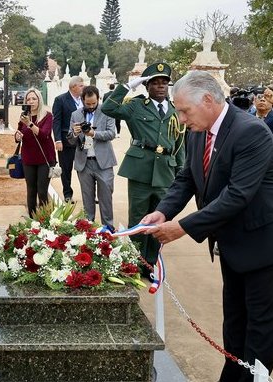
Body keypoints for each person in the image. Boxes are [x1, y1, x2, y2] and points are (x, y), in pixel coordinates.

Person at [142, 71, 273, 382]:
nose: (181, 119)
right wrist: (163, 211)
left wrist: (181, 227)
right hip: (233, 240)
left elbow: (237, 195)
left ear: (209, 101)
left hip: (268, 240)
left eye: (185, 111)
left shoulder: (251, 132)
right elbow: (187, 177)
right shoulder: (198, 132)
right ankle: (229, 380)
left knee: (260, 324)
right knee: (235, 316)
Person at [102, 62, 185, 269]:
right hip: (141, 171)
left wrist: (180, 173)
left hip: (166, 171)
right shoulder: (137, 105)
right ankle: (134, 263)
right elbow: (108, 107)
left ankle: (150, 263)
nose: (160, 86)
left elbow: (179, 145)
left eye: (164, 82)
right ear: (147, 86)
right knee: (139, 220)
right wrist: (129, 86)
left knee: (159, 221)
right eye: (155, 83)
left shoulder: (176, 111)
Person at [68, 85, 117, 229]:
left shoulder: (107, 112)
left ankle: (108, 229)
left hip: (104, 162)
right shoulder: (75, 115)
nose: (91, 106)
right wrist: (75, 133)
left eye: (93, 103)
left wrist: (93, 134)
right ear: (82, 100)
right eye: (87, 103)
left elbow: (111, 134)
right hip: (84, 163)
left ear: (98, 99)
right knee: (87, 199)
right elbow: (70, 140)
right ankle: (88, 230)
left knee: (106, 198)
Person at [14, 88, 56, 217]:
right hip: (28, 158)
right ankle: (32, 222)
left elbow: (44, 135)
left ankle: (45, 221)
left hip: (45, 158)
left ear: (39, 100)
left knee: (42, 191)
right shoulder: (24, 117)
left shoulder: (47, 116)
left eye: (34, 99)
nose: (31, 101)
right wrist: (17, 136)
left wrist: (30, 124)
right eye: (28, 99)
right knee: (31, 191)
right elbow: (19, 134)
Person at [52, 76, 85, 202]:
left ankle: (88, 193)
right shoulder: (60, 100)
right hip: (66, 140)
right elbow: (57, 121)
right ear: (73, 87)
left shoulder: (85, 99)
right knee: (66, 169)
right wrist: (58, 140)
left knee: (86, 168)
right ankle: (67, 194)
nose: (84, 87)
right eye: (81, 85)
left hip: (83, 141)